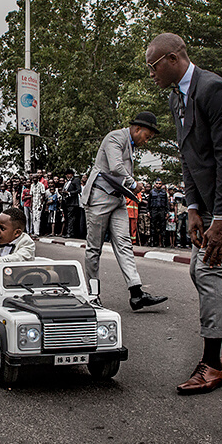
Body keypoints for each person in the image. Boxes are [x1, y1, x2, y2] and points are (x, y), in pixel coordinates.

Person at [147, 32, 222, 395]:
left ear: (172, 59)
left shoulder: (215, 90)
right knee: (198, 269)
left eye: (153, 66)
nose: (150, 73)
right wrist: (194, 208)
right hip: (210, 202)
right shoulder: (176, 98)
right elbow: (189, 158)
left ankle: (213, 364)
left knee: (207, 268)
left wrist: (221, 218)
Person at [80, 111, 167, 311]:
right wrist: (134, 183)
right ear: (137, 129)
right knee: (94, 249)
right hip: (99, 198)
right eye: (147, 136)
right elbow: (116, 166)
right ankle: (93, 295)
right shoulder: (115, 138)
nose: (147, 141)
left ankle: (136, 294)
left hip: (117, 198)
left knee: (124, 244)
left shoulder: (130, 144)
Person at [61, 168, 82, 238]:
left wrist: (69, 193)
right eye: (67, 174)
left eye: (69, 174)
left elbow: (79, 190)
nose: (67, 175)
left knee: (71, 218)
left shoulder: (76, 180)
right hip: (66, 202)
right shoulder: (66, 182)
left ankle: (70, 233)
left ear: (72, 174)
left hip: (73, 202)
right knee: (66, 218)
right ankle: (69, 232)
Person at [149, 178, 168, 247]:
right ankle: (153, 242)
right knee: (153, 226)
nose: (158, 185)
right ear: (155, 184)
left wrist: (167, 212)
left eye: (159, 183)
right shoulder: (152, 192)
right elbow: (149, 202)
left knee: (162, 227)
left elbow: (166, 203)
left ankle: (163, 242)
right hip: (154, 210)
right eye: (157, 183)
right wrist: (148, 211)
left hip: (162, 210)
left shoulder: (164, 192)